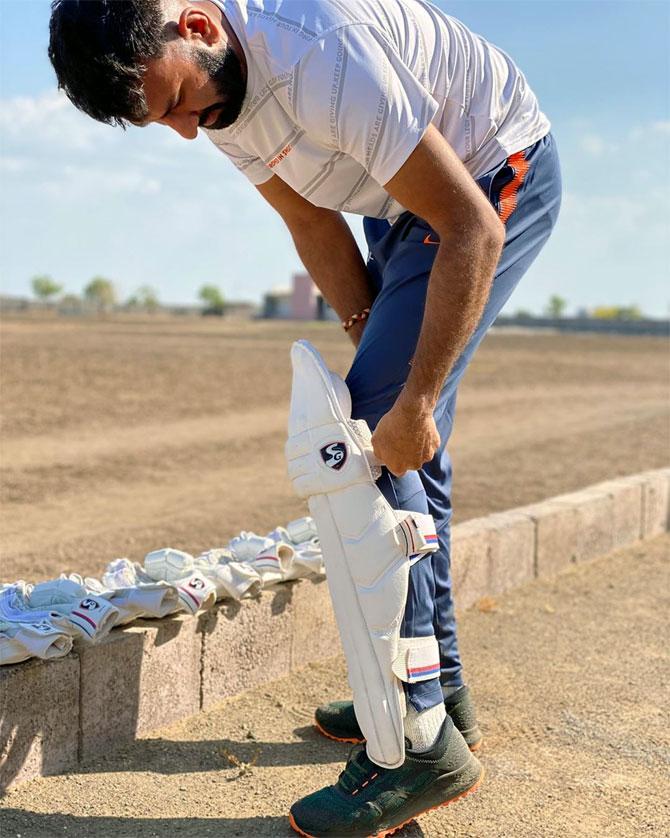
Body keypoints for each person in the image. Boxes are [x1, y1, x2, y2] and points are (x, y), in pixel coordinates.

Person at [49, 1, 562, 834]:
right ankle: (442, 697)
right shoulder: (216, 86)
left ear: (198, 26)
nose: (187, 133)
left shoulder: (322, 54)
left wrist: (412, 398)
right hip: (399, 207)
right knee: (390, 440)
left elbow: (470, 224)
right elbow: (309, 219)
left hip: (487, 173)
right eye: (164, 120)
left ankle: (420, 739)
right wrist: (378, 359)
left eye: (180, 105)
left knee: (369, 446)